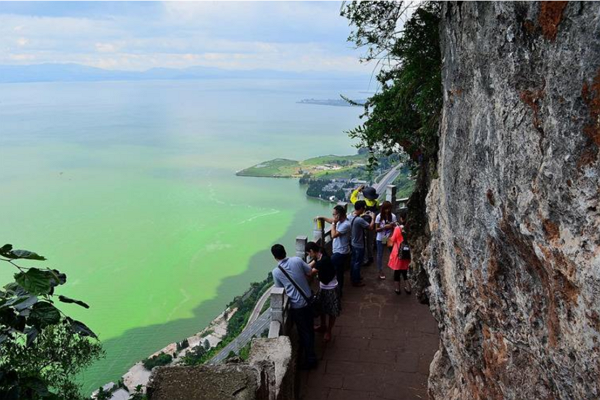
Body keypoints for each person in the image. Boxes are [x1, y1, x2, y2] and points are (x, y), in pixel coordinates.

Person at [271, 244, 317, 369]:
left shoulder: (276, 272)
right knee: (310, 327)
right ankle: (311, 350)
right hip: (309, 300)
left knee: (304, 332)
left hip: (297, 306)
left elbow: (280, 289)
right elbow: (309, 271)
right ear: (285, 251)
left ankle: (311, 359)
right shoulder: (297, 260)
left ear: (275, 257)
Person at [305, 241, 340, 343]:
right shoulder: (320, 252)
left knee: (332, 311)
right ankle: (323, 326)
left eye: (308, 253)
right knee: (321, 308)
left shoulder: (323, 260)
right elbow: (311, 264)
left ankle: (329, 331)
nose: (308, 255)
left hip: (331, 287)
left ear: (311, 251)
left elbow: (310, 273)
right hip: (323, 286)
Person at [316, 205, 351, 295]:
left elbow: (333, 235)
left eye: (334, 214)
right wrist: (322, 217)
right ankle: (338, 291)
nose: (333, 216)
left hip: (341, 252)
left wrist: (333, 224)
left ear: (339, 215)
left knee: (330, 268)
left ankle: (334, 290)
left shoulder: (346, 224)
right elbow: (331, 221)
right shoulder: (340, 221)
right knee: (339, 272)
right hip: (338, 251)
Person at [347, 200, 375, 287]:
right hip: (359, 245)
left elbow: (357, 216)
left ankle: (354, 277)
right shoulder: (359, 220)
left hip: (352, 243)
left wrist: (364, 214)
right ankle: (356, 281)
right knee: (358, 263)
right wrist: (373, 218)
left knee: (353, 261)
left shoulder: (350, 216)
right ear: (362, 208)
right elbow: (370, 227)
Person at [350, 185, 379, 265]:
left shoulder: (362, 203)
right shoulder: (376, 202)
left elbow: (352, 197)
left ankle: (365, 260)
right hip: (372, 225)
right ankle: (371, 257)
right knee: (370, 242)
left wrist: (358, 190)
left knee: (364, 242)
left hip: (363, 225)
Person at [375, 201, 397, 280]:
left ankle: (395, 269)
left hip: (389, 237)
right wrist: (384, 227)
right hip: (381, 238)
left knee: (393, 253)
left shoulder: (393, 216)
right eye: (386, 209)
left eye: (389, 209)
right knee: (380, 254)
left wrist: (392, 227)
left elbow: (395, 228)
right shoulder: (378, 217)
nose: (387, 210)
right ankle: (380, 270)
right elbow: (376, 229)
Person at [388, 225, 411, 294]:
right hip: (407, 252)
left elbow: (392, 240)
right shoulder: (409, 227)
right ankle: (408, 288)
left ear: (401, 218)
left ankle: (397, 289)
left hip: (398, 253)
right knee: (405, 272)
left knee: (397, 271)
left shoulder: (397, 228)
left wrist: (387, 237)